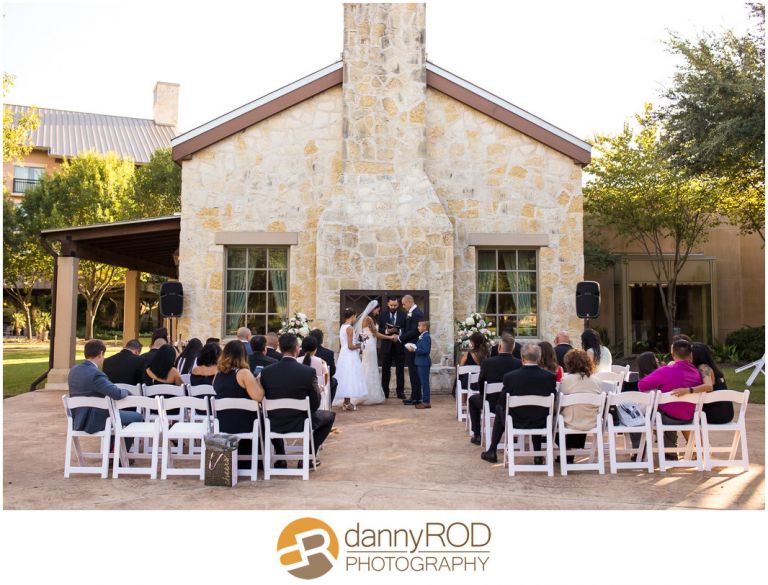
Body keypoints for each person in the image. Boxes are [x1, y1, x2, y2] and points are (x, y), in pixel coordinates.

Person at [257, 334, 336, 463]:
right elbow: (315, 403)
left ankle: (280, 456)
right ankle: (308, 456)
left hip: (273, 422)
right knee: (330, 416)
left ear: (280, 349)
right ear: (297, 349)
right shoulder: (308, 372)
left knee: (266, 417)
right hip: (300, 422)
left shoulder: (266, 372)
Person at [481, 343, 557, 464]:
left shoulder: (510, 377)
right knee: (536, 410)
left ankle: (492, 450)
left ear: (522, 358)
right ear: (538, 358)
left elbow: (503, 401)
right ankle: (537, 455)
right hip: (541, 421)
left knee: (500, 408)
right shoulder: (549, 377)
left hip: (516, 421)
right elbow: (554, 398)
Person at [68, 339, 143, 449]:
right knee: (137, 417)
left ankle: (113, 448)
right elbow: (117, 394)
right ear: (101, 353)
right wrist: (127, 392)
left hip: (77, 419)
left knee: (116, 416)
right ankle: (119, 453)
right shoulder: (96, 375)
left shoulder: (74, 370)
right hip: (94, 420)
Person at [638, 339, 703, 456]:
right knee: (668, 410)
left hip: (668, 419)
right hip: (690, 418)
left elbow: (641, 385)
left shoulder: (665, 371)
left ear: (673, 354)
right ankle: (670, 454)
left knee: (654, 411)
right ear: (690, 354)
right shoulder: (697, 373)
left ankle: (667, 454)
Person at [212, 340, 264, 469]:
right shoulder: (243, 373)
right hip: (245, 424)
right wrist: (258, 382)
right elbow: (258, 397)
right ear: (243, 355)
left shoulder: (217, 374)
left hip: (223, 423)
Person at [468, 334, 522, 445]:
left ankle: (477, 434)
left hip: (491, 403)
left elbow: (481, 382)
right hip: (512, 404)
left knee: (472, 400)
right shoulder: (519, 363)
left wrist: (483, 396)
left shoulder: (488, 362)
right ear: (512, 348)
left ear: (499, 347)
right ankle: (512, 434)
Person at [557, 349, 602, 461]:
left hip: (570, 422)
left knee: (562, 414)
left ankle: (567, 451)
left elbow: (559, 404)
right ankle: (570, 452)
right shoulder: (596, 381)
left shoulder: (566, 380)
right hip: (591, 422)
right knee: (581, 410)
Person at [357, 303, 390, 405]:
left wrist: (364, 343)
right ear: (372, 309)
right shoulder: (368, 319)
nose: (378, 313)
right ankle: (369, 394)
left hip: (367, 344)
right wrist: (390, 337)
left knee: (366, 366)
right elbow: (376, 333)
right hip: (370, 345)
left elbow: (362, 334)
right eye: (377, 310)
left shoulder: (364, 319)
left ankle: (362, 392)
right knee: (370, 367)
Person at [335, 308, 367, 411]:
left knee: (346, 376)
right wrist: (360, 345)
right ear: (353, 316)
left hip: (344, 353)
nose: (355, 318)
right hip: (349, 354)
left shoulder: (343, 326)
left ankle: (346, 402)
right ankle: (347, 403)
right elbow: (350, 346)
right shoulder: (349, 328)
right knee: (349, 376)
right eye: (355, 316)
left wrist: (358, 342)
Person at [378, 297, 407, 399]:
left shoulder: (404, 314)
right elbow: (378, 329)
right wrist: (387, 331)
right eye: (391, 305)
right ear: (388, 304)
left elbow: (406, 328)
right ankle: (385, 392)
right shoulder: (382, 314)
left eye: (395, 305)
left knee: (400, 370)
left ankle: (400, 392)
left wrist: (399, 331)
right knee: (385, 370)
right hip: (386, 346)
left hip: (399, 345)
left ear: (398, 304)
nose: (393, 307)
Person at [400, 294, 426, 405]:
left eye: (404, 304)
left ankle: (416, 398)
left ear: (409, 302)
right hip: (410, 346)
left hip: (413, 347)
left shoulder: (417, 313)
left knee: (414, 372)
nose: (403, 306)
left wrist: (401, 338)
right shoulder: (412, 313)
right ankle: (415, 396)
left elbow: (415, 331)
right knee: (413, 372)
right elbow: (408, 328)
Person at [408, 321, 432, 409]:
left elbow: (426, 351)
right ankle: (424, 400)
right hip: (420, 362)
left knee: (425, 383)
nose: (418, 327)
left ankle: (426, 402)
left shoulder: (426, 337)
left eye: (419, 326)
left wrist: (414, 350)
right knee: (423, 382)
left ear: (425, 327)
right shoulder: (423, 336)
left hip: (423, 363)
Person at [309, 329, 338, 403]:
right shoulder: (328, 353)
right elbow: (332, 371)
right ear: (321, 339)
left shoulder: (303, 353)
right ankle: (328, 403)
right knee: (334, 381)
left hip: (307, 382)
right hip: (323, 383)